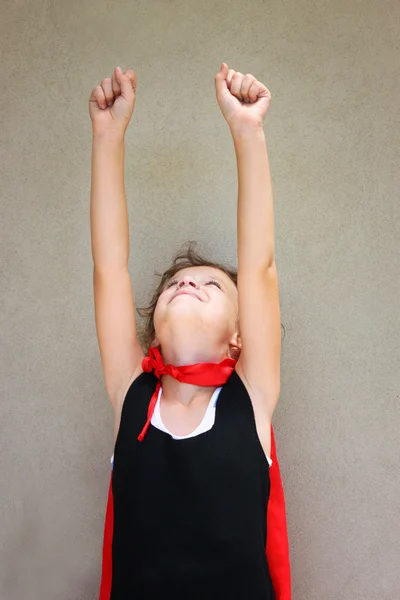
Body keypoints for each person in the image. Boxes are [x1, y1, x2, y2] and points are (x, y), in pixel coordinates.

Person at [89, 64, 291, 599]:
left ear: (239, 337)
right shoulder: (129, 391)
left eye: (211, 285)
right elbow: (110, 268)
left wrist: (248, 132)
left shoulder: (255, 393)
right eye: (177, 283)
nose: (188, 285)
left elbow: (260, 266)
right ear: (152, 328)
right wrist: (108, 136)